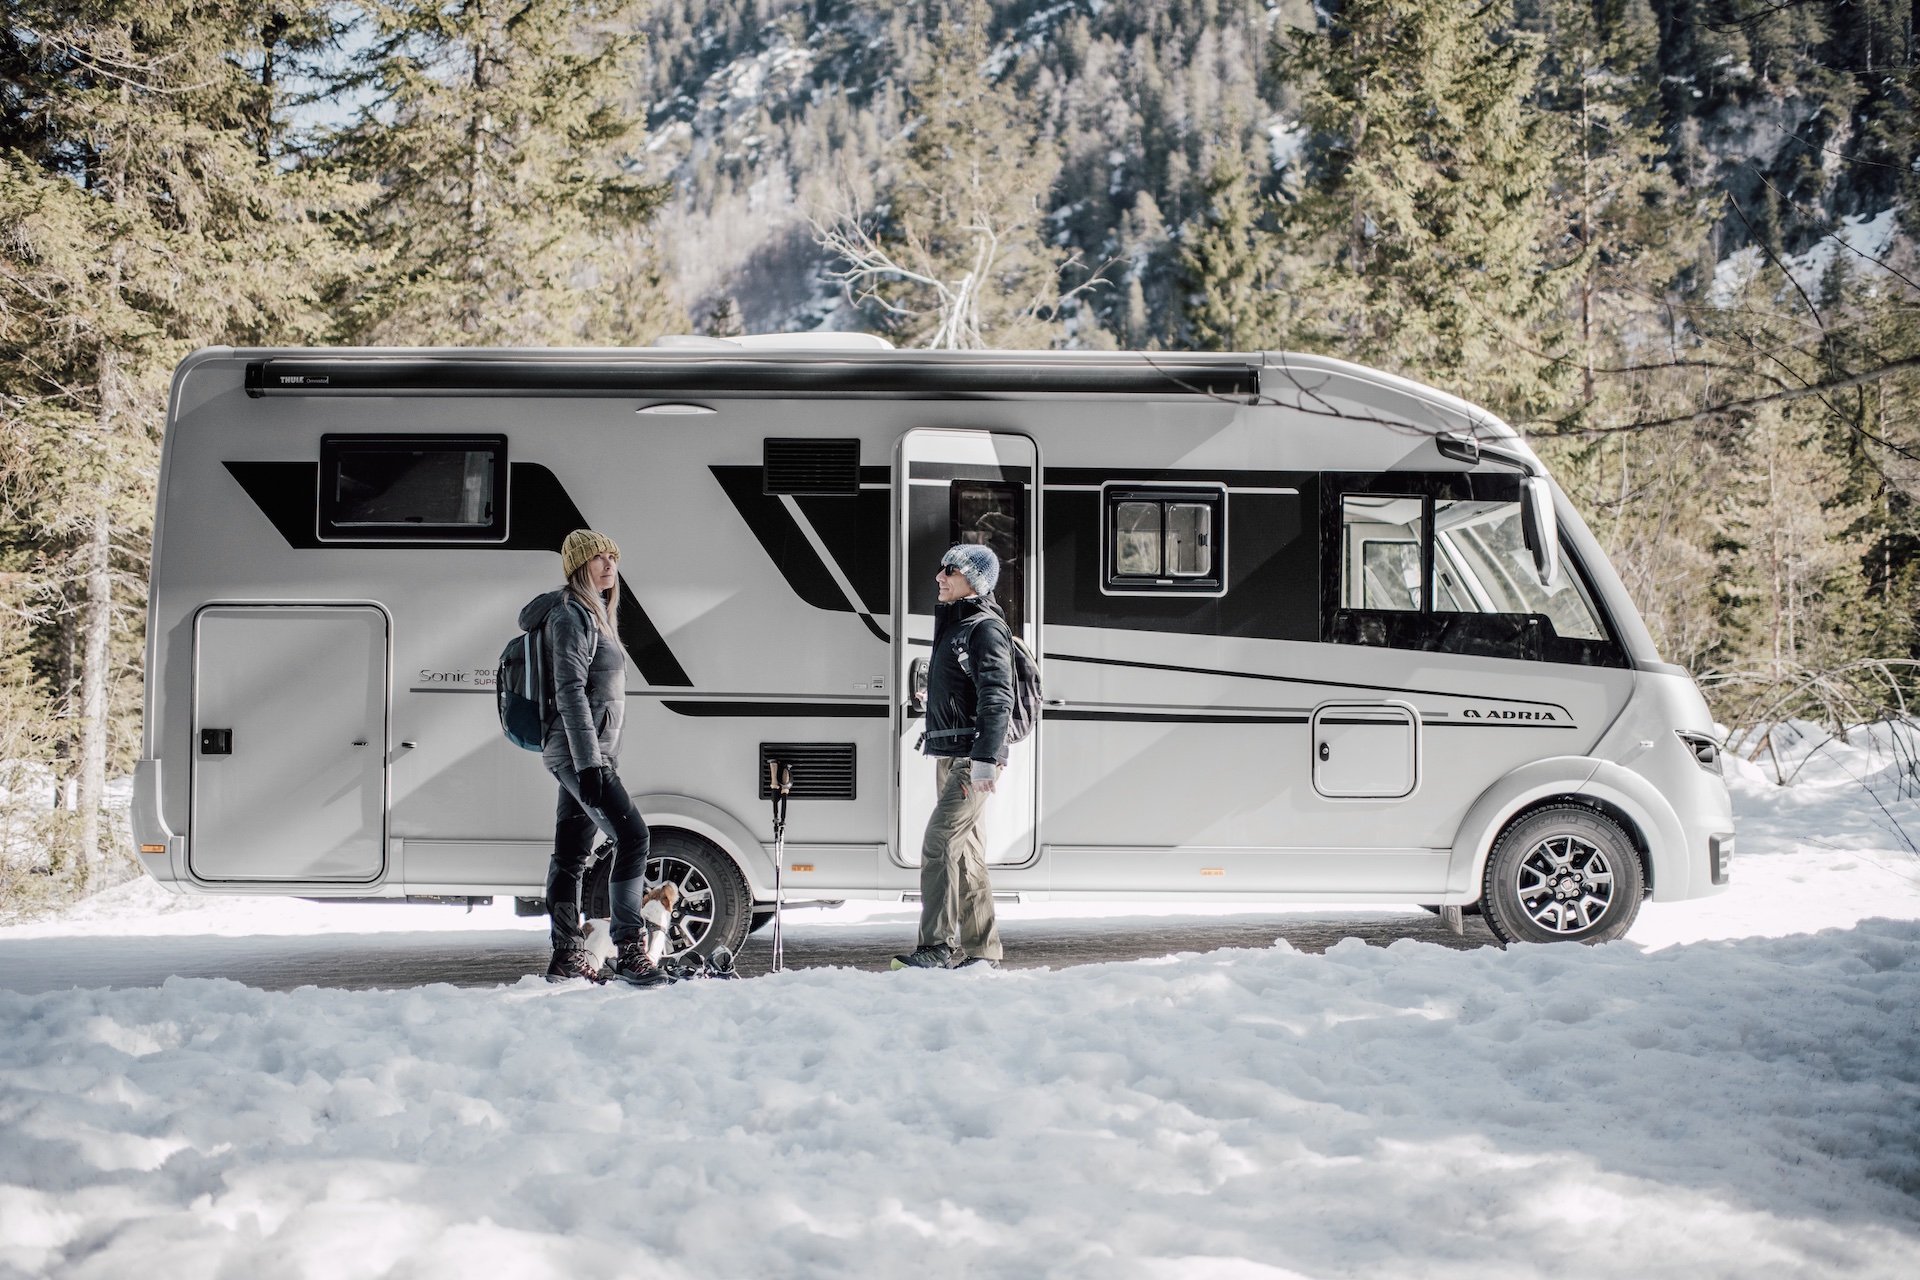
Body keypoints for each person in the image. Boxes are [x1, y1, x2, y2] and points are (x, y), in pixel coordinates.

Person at [519, 529, 668, 987]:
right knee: (634, 838)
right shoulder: (571, 614)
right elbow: (570, 693)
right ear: (577, 567)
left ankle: (566, 955)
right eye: (597, 558)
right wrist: (589, 765)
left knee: (570, 855)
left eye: (612, 557)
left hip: (583, 753)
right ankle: (629, 949)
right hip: (580, 754)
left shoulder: (593, 613)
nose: (608, 564)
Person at [894, 543, 1012, 971]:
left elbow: (998, 697)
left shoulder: (984, 628)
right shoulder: (958, 625)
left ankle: (937, 946)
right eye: (941, 568)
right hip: (953, 755)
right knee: (965, 855)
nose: (939, 577)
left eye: (951, 570)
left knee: (939, 842)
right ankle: (983, 952)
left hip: (970, 758)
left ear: (973, 582)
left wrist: (985, 760)